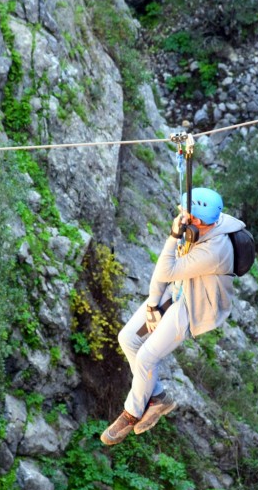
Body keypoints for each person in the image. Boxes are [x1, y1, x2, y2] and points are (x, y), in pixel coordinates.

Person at [101, 187, 247, 445]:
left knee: (146, 357)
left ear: (197, 220)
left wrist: (172, 237)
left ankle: (131, 414)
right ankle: (158, 397)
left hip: (194, 306)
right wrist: (152, 304)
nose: (180, 215)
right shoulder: (199, 227)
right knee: (128, 338)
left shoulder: (215, 250)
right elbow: (164, 275)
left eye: (185, 212)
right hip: (178, 289)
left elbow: (166, 270)